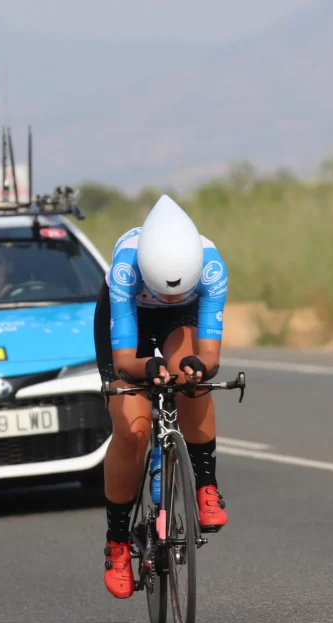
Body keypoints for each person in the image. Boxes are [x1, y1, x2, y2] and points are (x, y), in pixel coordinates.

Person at [93, 194, 229, 599]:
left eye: (178, 290)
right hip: (127, 320)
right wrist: (147, 368)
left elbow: (210, 356)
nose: (169, 296)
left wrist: (197, 370)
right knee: (132, 429)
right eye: (164, 290)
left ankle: (205, 484)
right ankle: (117, 541)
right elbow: (123, 361)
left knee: (193, 378)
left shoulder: (212, 267)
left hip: (178, 325)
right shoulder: (124, 268)